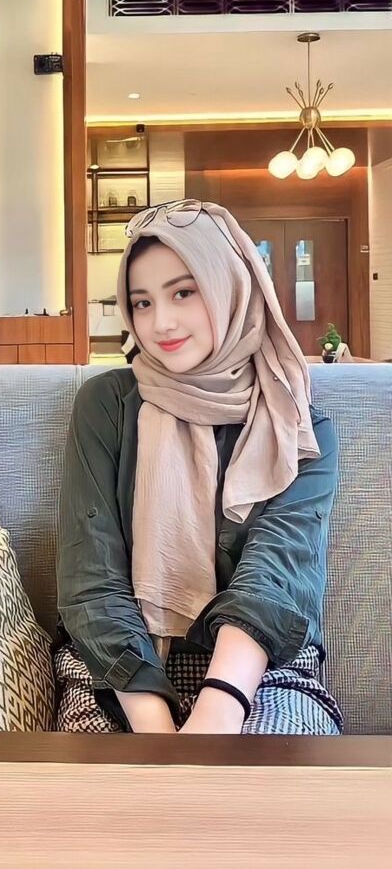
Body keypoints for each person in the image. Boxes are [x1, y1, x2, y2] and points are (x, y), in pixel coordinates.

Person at [55, 200, 343, 735]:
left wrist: (219, 710)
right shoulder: (107, 405)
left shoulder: (299, 426)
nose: (160, 323)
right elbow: (91, 575)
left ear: (231, 288)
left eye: (184, 292)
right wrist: (158, 732)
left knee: (267, 784)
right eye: (142, 303)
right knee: (107, 788)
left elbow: (277, 573)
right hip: (119, 666)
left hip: (259, 668)